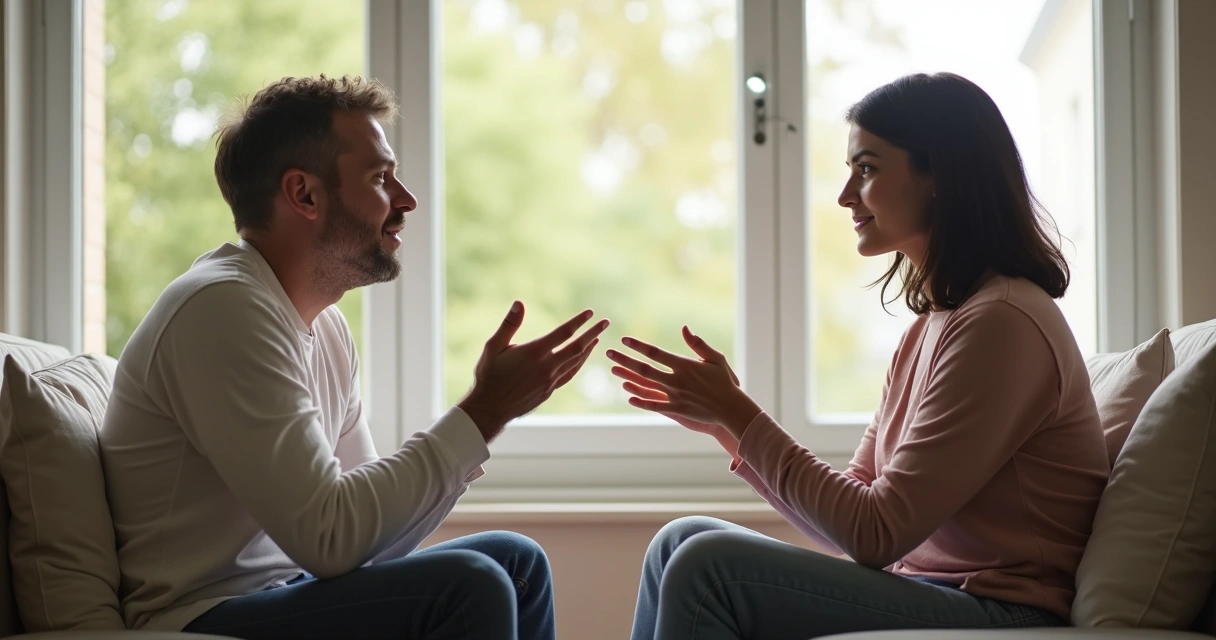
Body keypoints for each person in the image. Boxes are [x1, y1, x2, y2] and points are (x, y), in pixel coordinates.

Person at [99, 75, 609, 640]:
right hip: (200, 615)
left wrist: (485, 420)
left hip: (289, 593)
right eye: (380, 178)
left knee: (516, 564)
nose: (407, 200)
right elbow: (329, 538)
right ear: (305, 195)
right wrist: (483, 412)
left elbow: (370, 542)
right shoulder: (222, 308)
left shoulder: (327, 329)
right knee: (473, 583)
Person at [610, 72, 1111, 639]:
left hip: (1009, 614)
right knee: (680, 541)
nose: (846, 195)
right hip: (932, 589)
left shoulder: (1004, 323)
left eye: (867, 169)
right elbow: (852, 526)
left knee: (710, 568)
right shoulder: (931, 327)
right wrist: (729, 426)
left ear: (939, 176)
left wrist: (742, 415)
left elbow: (876, 534)